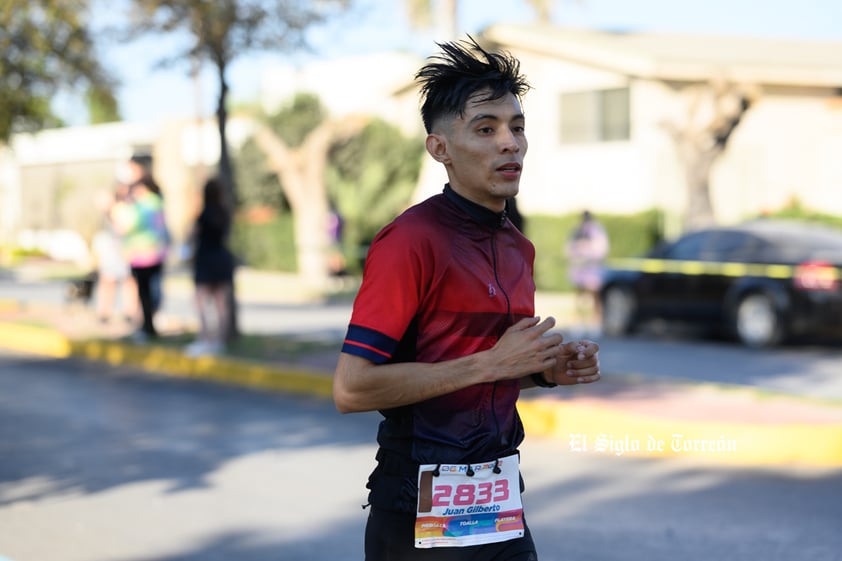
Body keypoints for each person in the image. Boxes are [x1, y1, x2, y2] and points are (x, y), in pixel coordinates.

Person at [333, 37, 601, 561]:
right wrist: (490, 363)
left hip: (499, 500)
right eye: (486, 129)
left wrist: (543, 370)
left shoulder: (517, 248)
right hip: (417, 508)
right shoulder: (411, 241)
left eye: (517, 127)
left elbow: (470, 368)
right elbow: (353, 389)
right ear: (441, 149)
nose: (511, 143)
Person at [110, 159, 170, 341]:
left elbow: (126, 226)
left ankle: (148, 324)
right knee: (154, 290)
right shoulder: (157, 202)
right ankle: (150, 321)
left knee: (145, 293)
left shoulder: (141, 206)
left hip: (141, 255)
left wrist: (112, 211)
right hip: (156, 253)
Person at [184, 177, 236, 357]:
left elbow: (191, 236)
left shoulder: (204, 214)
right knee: (221, 303)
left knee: (200, 301)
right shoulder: (224, 213)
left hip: (206, 260)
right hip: (221, 259)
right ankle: (218, 341)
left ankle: (205, 338)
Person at [91, 185, 137, 326]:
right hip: (111, 250)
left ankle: (130, 312)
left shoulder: (126, 208)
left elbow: (126, 228)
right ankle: (104, 312)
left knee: (128, 281)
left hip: (123, 249)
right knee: (107, 280)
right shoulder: (110, 211)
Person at [566, 210, 610, 334]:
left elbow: (601, 249)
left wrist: (588, 257)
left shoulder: (596, 230)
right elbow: (569, 248)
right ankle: (578, 323)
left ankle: (595, 324)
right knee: (579, 297)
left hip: (592, 268)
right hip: (579, 269)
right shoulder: (577, 230)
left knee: (595, 297)